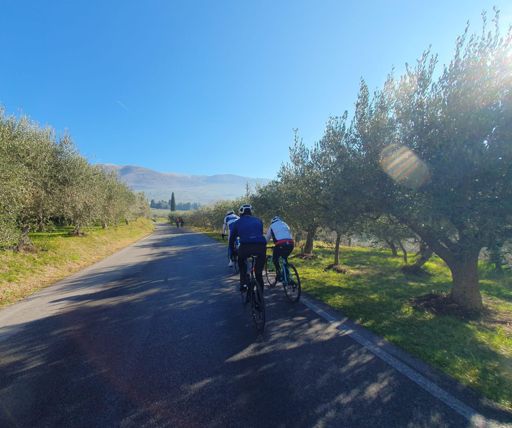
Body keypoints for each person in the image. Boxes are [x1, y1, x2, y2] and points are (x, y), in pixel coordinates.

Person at [229, 204, 266, 291]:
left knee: (241, 263)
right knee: (258, 273)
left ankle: (244, 283)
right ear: (251, 212)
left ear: (241, 213)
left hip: (246, 246)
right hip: (261, 247)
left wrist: (232, 251)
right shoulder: (259, 220)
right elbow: (260, 233)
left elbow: (232, 239)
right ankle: (260, 296)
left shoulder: (237, 222)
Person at [265, 216, 294, 282]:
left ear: (272, 221)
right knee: (284, 258)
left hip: (280, 244)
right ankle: (287, 276)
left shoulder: (272, 226)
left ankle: (279, 275)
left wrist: (263, 245)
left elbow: (267, 238)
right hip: (291, 244)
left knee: (275, 259)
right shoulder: (285, 224)